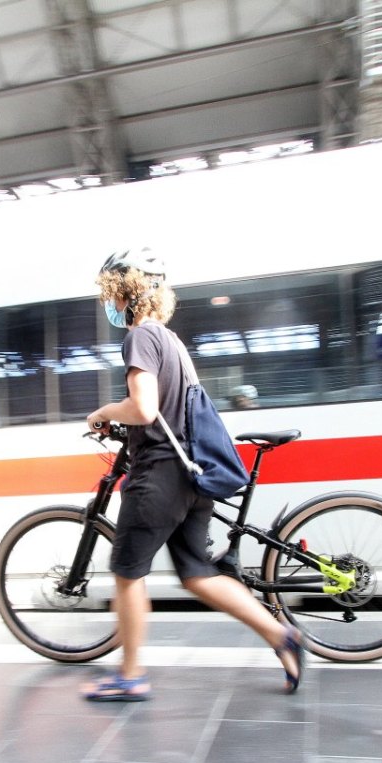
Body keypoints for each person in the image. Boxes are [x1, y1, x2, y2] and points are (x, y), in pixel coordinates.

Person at [82, 247, 304, 702]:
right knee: (198, 573)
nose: (110, 303)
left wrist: (103, 411)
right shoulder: (171, 340)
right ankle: (283, 637)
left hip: (160, 475)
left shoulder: (140, 337)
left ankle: (130, 675)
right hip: (191, 476)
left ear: (123, 290)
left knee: (126, 571)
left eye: (111, 293)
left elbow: (144, 408)